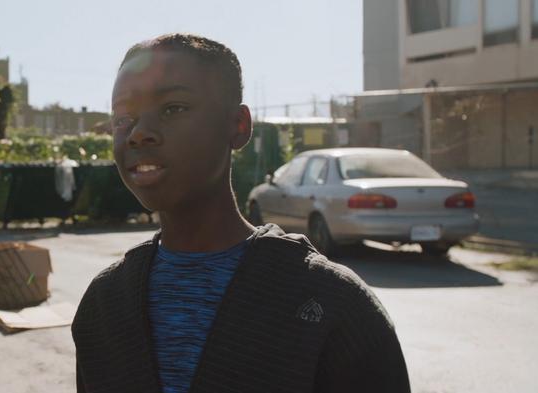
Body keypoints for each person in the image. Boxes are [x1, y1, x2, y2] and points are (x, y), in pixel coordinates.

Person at [71, 33, 410, 393]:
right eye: (123, 118)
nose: (139, 134)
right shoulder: (104, 304)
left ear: (238, 125)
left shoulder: (332, 307)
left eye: (173, 108)